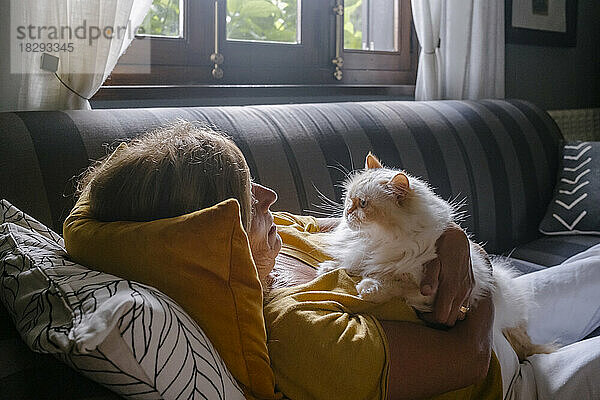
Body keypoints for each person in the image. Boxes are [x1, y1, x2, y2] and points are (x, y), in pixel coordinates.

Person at [75, 121, 600, 400]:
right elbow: (468, 360)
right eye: (247, 198)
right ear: (209, 237)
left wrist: (459, 245)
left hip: (503, 309)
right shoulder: (298, 336)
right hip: (515, 381)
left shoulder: (277, 238)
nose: (271, 197)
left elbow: (410, 231)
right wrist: (475, 277)